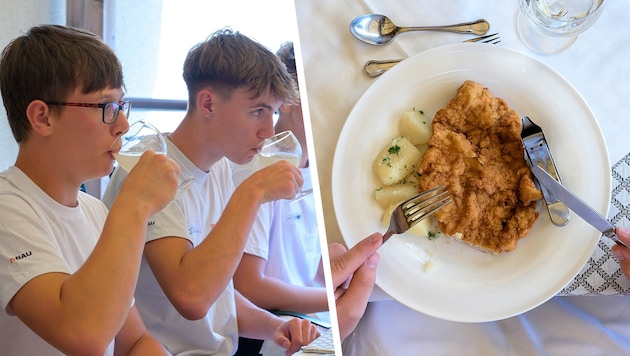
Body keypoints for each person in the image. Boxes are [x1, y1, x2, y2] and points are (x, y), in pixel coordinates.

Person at [102, 28, 318, 355]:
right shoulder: (150, 170)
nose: (268, 130)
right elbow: (192, 297)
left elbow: (221, 297)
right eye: (258, 111)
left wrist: (274, 326)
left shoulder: (218, 168)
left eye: (273, 113)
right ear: (208, 103)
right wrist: (253, 191)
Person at [0, 25, 179, 355]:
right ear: (42, 117)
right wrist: (135, 203)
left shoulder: (95, 210)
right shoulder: (7, 209)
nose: (122, 124)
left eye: (122, 105)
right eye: (106, 106)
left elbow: (134, 341)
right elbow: (84, 335)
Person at [230, 41, 327, 355]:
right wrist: (329, 298)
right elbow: (248, 285)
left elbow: (311, 268)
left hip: (313, 321)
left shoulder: (322, 169)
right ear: (287, 100)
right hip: (269, 331)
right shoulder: (257, 170)